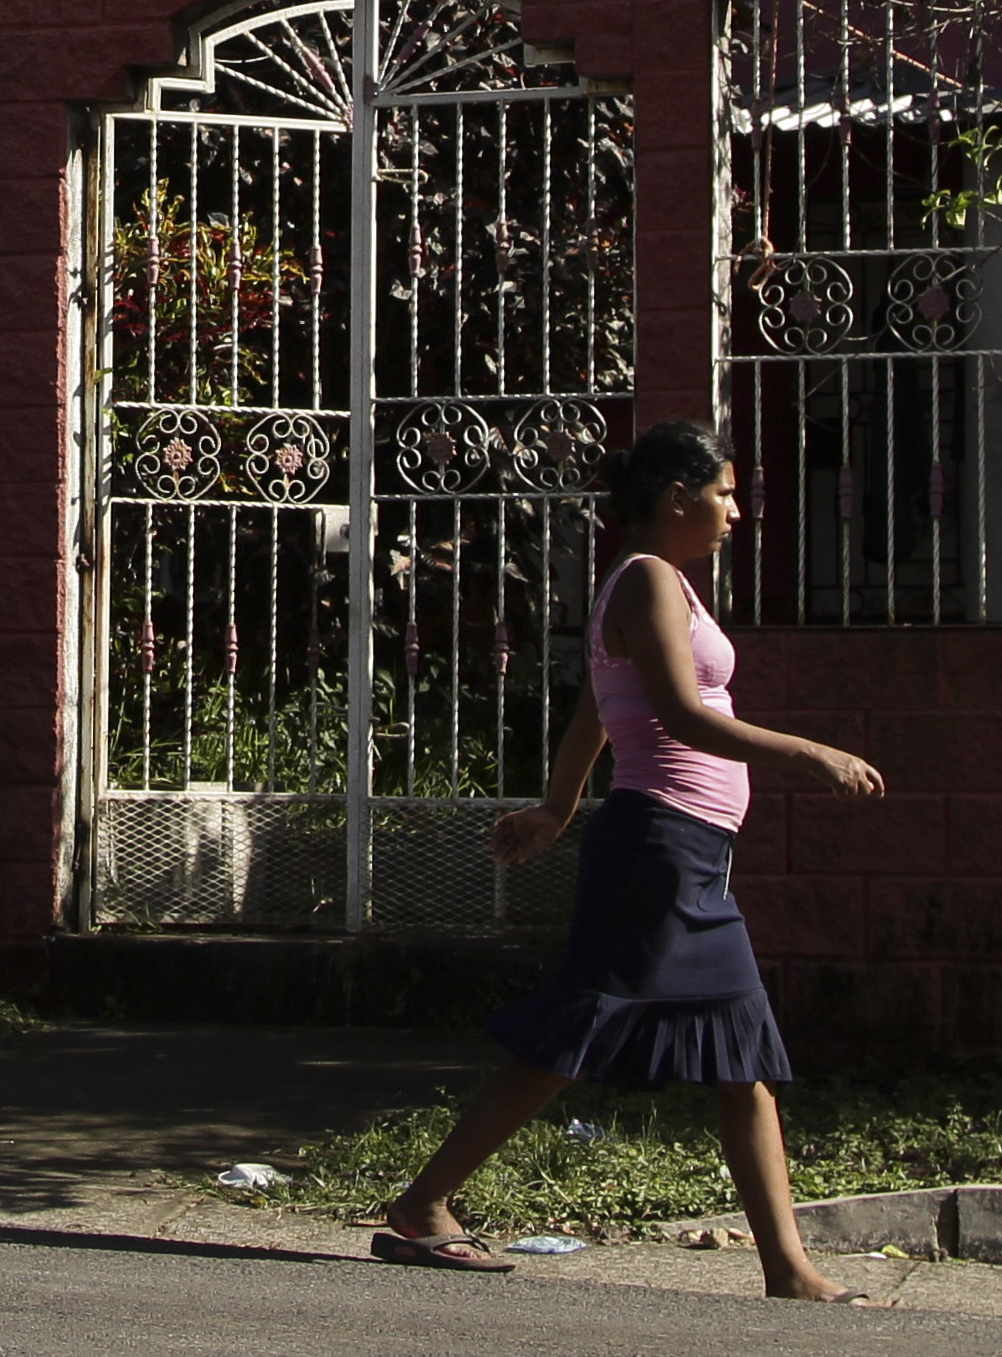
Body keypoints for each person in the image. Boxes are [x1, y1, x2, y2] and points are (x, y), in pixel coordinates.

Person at [377, 416, 886, 1299]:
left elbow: (592, 712)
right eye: (724, 493)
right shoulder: (648, 580)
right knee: (575, 1034)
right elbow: (681, 718)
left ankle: (786, 1268)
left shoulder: (660, 585)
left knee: (740, 1059)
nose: (736, 510)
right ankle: (424, 1204)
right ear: (674, 498)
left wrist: (556, 807)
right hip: (658, 850)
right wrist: (809, 753)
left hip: (686, 853)